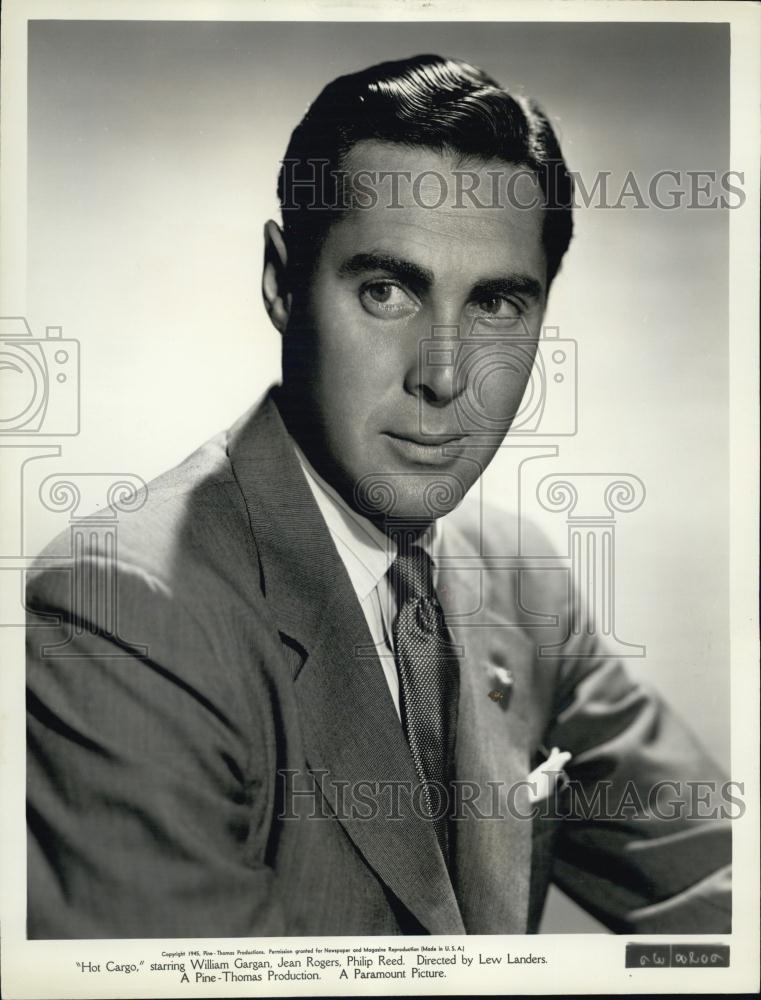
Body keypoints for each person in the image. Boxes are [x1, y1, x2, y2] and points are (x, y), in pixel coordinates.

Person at [26, 54, 731, 938]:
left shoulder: (520, 579)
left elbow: (728, 897)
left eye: (497, 305)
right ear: (283, 284)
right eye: (386, 290)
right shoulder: (123, 611)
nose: (445, 375)